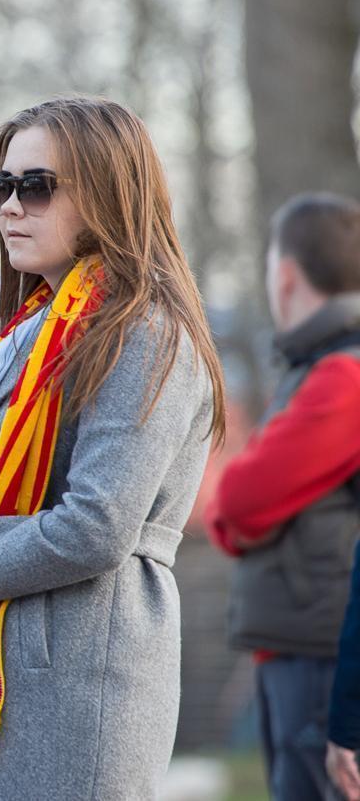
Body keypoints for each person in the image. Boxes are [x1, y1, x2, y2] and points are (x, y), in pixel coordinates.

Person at [0, 96, 226, 799]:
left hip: (79, 676)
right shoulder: (27, 334)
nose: (10, 206)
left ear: (107, 195)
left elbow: (96, 526)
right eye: (0, 186)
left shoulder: (143, 330)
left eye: (36, 186)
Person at [202, 193, 360, 801]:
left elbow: (236, 500)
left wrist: (236, 520)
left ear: (286, 275)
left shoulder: (342, 375)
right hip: (303, 651)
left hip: (320, 662)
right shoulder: (316, 367)